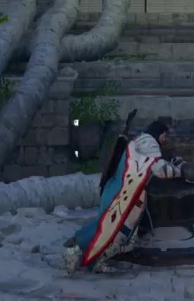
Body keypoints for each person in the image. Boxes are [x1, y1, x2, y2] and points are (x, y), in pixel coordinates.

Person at [63, 115, 184, 272]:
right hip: (121, 196)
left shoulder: (140, 141)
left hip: (118, 192)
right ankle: (74, 249)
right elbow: (160, 169)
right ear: (159, 132)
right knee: (111, 231)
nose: (165, 139)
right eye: (164, 135)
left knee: (110, 229)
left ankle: (95, 261)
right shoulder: (149, 142)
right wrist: (180, 170)